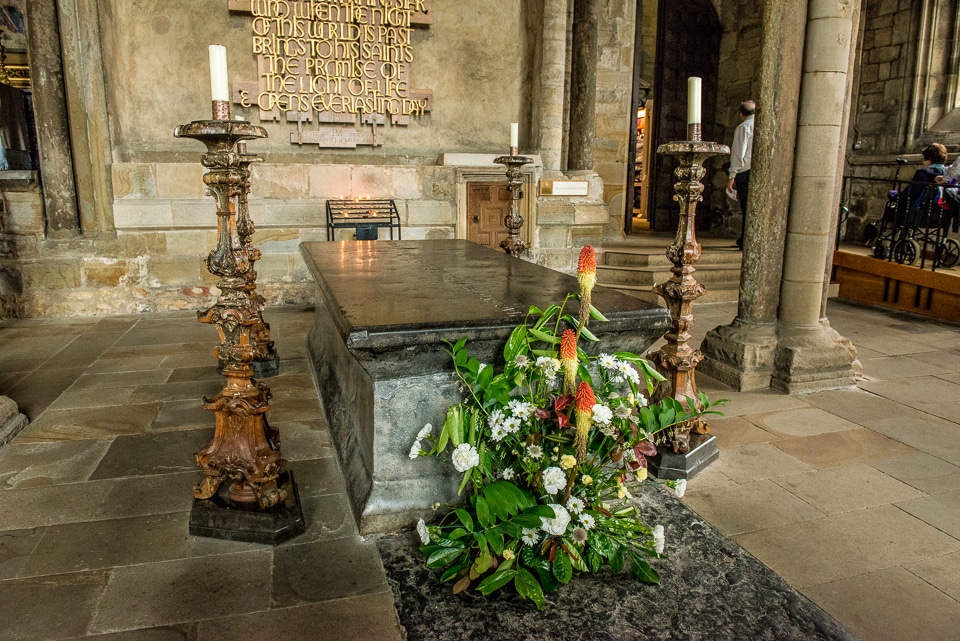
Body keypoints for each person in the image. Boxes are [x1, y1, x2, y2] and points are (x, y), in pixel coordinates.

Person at [727, 100, 755, 249]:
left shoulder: (744, 127)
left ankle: (745, 240)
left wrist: (732, 175)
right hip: (757, 170)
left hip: (745, 172)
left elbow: (739, 153)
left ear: (741, 114)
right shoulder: (761, 125)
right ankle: (747, 239)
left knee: (746, 207)